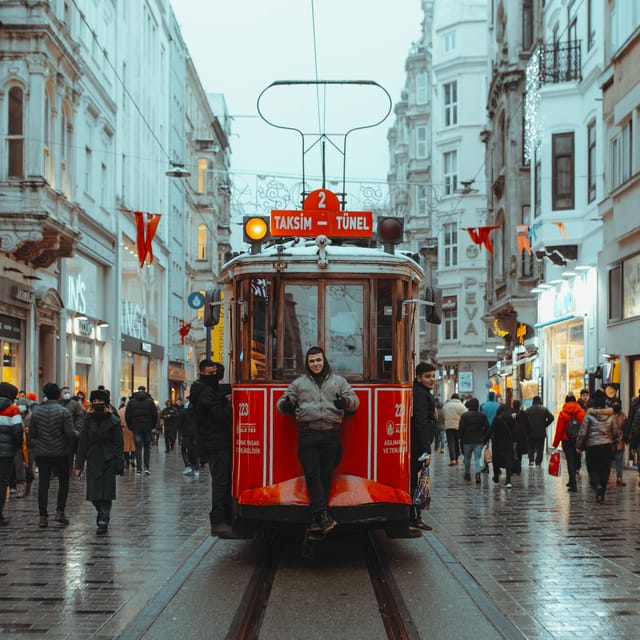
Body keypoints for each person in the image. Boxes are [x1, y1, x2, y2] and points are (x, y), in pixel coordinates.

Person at [277, 347, 359, 536]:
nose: (315, 364)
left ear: (324, 361)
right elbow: (281, 405)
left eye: (318, 360)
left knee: (326, 474)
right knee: (312, 474)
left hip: (331, 433)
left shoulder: (339, 382)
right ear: (308, 363)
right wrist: (286, 405)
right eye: (312, 361)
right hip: (308, 433)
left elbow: (355, 401)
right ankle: (322, 515)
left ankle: (318, 516)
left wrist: (345, 403)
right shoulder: (298, 384)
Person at [190, 360, 234, 536]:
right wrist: (229, 404)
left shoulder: (204, 389)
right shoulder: (206, 392)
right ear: (203, 373)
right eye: (212, 373)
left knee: (221, 480)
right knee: (221, 481)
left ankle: (222, 518)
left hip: (215, 441)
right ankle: (218, 520)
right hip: (216, 442)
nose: (215, 376)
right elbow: (220, 415)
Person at [73, 389, 124, 534]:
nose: (97, 403)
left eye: (100, 401)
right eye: (94, 401)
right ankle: (100, 512)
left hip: (109, 458)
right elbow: (83, 443)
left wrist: (120, 462)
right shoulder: (88, 420)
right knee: (94, 494)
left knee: (106, 492)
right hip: (93, 458)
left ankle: (104, 519)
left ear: (106, 402)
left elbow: (118, 444)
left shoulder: (114, 420)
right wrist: (79, 465)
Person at [29, 383, 76, 527]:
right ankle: (59, 512)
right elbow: (70, 434)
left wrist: (37, 445)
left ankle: (42, 516)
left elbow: (31, 435)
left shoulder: (36, 412)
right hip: (61, 453)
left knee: (43, 483)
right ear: (58, 395)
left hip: (42, 453)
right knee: (63, 481)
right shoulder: (64, 412)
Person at [408, 362, 437, 531]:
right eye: (427, 376)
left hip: (420, 444)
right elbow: (420, 421)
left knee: (416, 480)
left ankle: (414, 515)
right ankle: (414, 516)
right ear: (418, 378)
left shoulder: (422, 392)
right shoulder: (420, 394)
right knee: (415, 481)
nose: (432, 379)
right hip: (418, 445)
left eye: (433, 376)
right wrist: (426, 450)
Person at [575, 389, 617, 503]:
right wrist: (613, 439)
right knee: (605, 469)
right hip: (606, 445)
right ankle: (601, 492)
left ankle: (597, 485)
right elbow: (615, 431)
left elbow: (583, 431)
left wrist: (578, 444)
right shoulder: (611, 414)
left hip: (592, 446)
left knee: (592, 468)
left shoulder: (589, 414)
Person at [551, 394, 585, 492]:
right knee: (576, 458)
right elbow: (584, 428)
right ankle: (572, 479)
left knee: (570, 461)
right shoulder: (582, 412)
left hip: (566, 440)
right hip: (578, 440)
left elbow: (559, 430)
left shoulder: (563, 414)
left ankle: (572, 483)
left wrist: (555, 444)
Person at [0, 382, 23, 526]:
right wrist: (17, 446)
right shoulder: (12, 409)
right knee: (2, 483)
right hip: (6, 453)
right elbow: (17, 431)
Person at [125, 386, 158, 475]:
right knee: (147, 447)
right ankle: (147, 467)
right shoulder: (150, 402)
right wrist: (152, 426)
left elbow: (127, 415)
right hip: (147, 428)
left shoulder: (131, 402)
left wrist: (130, 426)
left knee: (138, 448)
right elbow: (155, 415)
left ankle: (139, 469)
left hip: (136, 428)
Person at [458, 397, 490, 484]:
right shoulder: (482, 415)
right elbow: (487, 428)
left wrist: (460, 437)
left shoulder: (464, 415)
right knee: (477, 458)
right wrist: (484, 437)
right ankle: (477, 474)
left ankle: (467, 474)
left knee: (467, 458)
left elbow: (461, 428)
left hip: (467, 440)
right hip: (478, 440)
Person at [486, 404, 516, 488]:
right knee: (508, 462)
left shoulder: (496, 419)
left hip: (497, 443)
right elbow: (514, 431)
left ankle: (496, 477)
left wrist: (485, 441)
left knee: (496, 461)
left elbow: (491, 431)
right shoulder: (511, 419)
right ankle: (508, 481)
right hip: (508, 443)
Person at [525, 396, 554, 467]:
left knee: (530, 447)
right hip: (541, 432)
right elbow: (551, 417)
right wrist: (545, 424)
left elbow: (524, 420)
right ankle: (538, 462)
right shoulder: (544, 409)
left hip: (530, 432)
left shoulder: (528, 410)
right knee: (540, 448)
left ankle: (531, 460)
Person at [442, 393, 466, 465]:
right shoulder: (461, 406)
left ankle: (452, 459)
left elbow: (444, 415)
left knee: (451, 443)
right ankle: (456, 459)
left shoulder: (446, 406)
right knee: (456, 442)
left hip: (449, 426)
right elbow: (465, 416)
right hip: (458, 426)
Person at [178, 396, 199, 476]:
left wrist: (180, 430)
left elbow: (179, 423)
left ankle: (187, 466)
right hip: (195, 433)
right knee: (195, 450)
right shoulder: (197, 411)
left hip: (186, 433)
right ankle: (196, 468)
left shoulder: (184, 412)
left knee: (184, 450)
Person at [611, 400, 627, 487]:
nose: (615, 405)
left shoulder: (623, 416)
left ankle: (619, 477)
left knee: (619, 460)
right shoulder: (609, 415)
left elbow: (626, 428)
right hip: (609, 441)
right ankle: (607, 478)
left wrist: (624, 437)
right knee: (608, 461)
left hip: (619, 441)